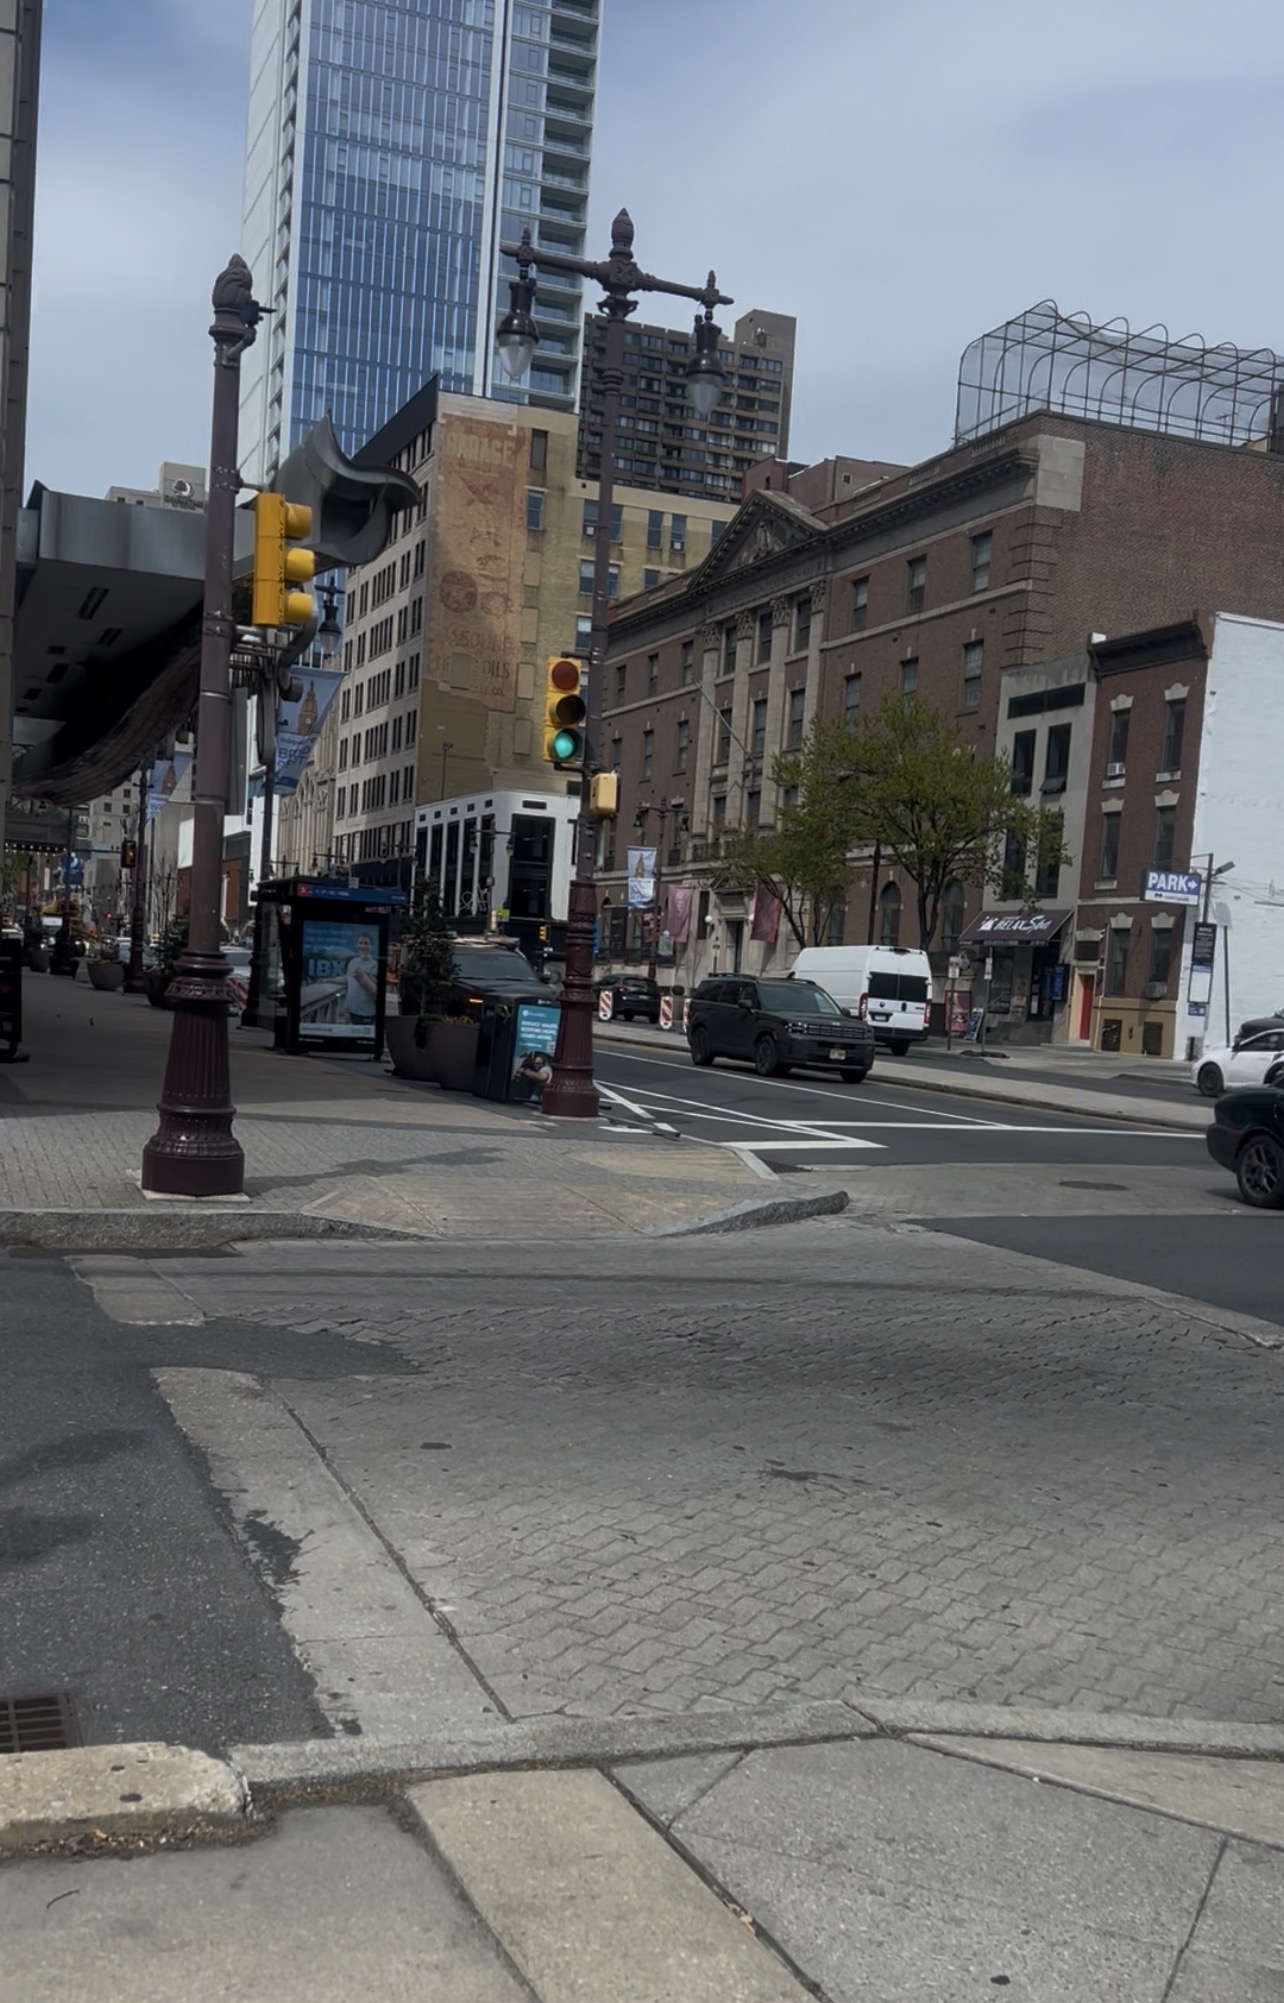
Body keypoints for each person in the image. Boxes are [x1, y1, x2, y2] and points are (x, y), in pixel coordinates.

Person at [344, 933, 378, 1025]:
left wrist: (366, 976)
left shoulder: (375, 965)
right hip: (351, 1010)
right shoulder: (352, 962)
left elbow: (375, 990)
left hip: (366, 1012)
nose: (363, 946)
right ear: (357, 945)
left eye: (366, 943)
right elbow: (347, 980)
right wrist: (326, 980)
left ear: (371, 946)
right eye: (360, 943)